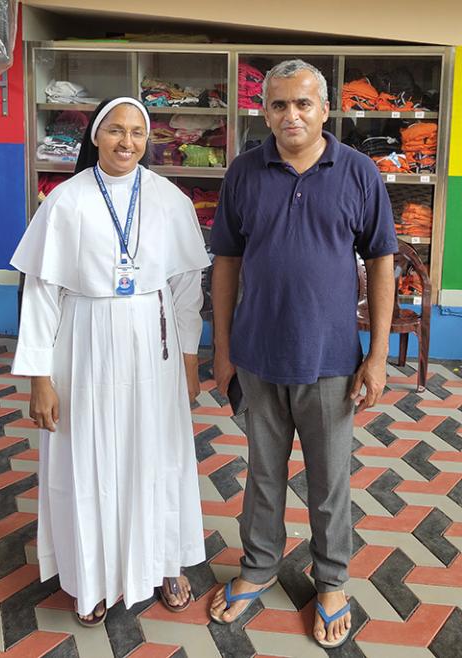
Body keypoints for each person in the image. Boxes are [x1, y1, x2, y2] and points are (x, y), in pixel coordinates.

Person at [209, 61, 398, 648]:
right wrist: (220, 348)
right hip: (258, 355)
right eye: (277, 105)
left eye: (302, 104)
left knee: (329, 480)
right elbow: (227, 264)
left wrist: (377, 353)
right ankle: (259, 567)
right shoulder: (243, 172)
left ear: (324, 109)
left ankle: (333, 579)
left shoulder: (359, 172)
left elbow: (382, 261)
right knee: (263, 474)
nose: (290, 116)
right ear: (263, 110)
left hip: (332, 359)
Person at [11, 97, 211, 625]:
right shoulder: (65, 202)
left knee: (158, 453)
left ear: (149, 140)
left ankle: (165, 561)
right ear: (96, 137)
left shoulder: (171, 200)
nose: (128, 142)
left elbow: (187, 288)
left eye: (138, 133)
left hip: (153, 341)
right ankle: (91, 577)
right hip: (83, 341)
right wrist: (39, 379)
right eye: (117, 131)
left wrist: (189, 361)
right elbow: (40, 293)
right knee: (88, 459)